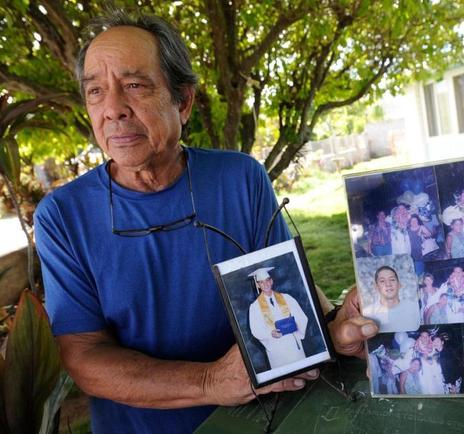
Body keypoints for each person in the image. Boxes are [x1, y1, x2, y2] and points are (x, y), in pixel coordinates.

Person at [34, 11, 378, 433]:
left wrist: (337, 323)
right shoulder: (62, 216)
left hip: (263, 417)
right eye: (95, 92)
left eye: (135, 86)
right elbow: (84, 356)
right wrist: (211, 381)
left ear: (183, 101)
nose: (113, 110)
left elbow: (286, 285)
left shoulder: (240, 177)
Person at [248, 267, 308, 369]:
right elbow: (255, 330)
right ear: (258, 285)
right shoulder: (254, 307)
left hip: (292, 343)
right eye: (261, 282)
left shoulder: (287, 298)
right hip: (276, 347)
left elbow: (301, 317)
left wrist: (296, 327)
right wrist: (270, 333)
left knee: (302, 369)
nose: (265, 284)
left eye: (267, 280)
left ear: (271, 281)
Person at [363, 266, 421, 332]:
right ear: (376, 287)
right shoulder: (368, 313)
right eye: (382, 281)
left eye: (392, 279)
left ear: (399, 284)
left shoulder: (414, 308)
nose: (388, 284)